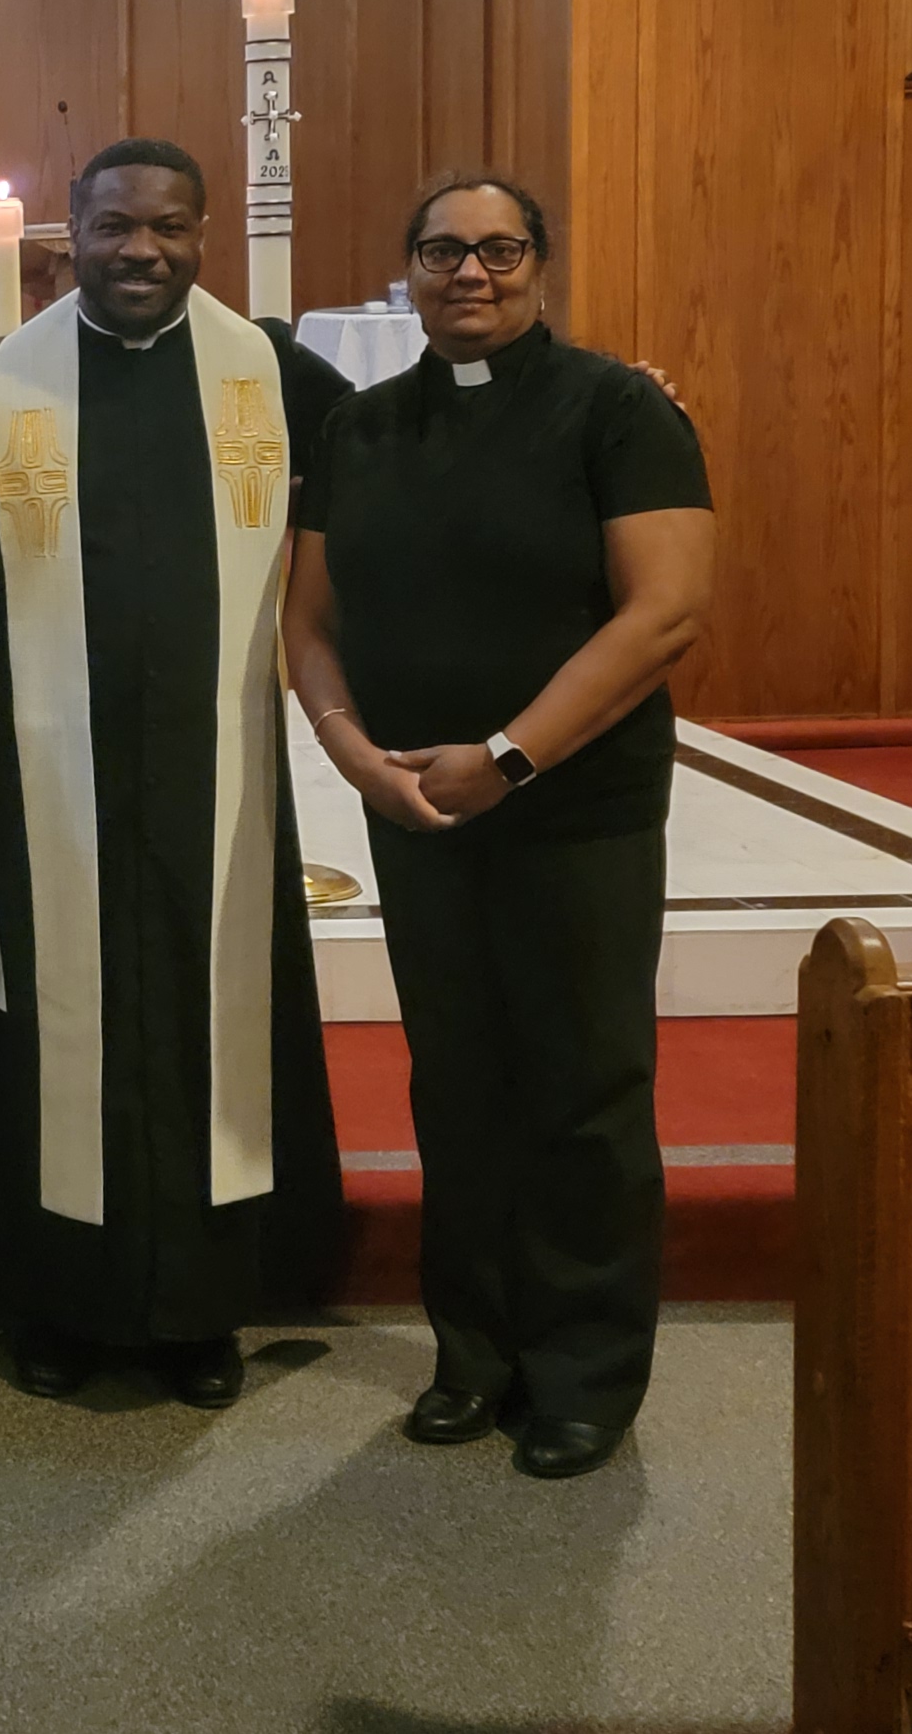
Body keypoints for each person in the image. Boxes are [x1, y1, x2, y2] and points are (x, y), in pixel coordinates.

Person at [0, 136, 351, 1413]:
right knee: (59, 1036)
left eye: (167, 226)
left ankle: (200, 1310)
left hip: (217, 775)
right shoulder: (0, 384)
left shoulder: (269, 370)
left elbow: (412, 443)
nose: (141, 250)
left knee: (212, 1025)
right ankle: (58, 1304)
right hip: (50, 778)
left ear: (203, 233)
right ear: (74, 233)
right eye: (114, 227)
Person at [283, 175, 712, 1482]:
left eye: (498, 249)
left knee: (582, 1084)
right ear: (407, 271)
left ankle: (584, 1370)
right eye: (441, 251)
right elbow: (308, 618)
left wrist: (511, 757)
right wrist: (353, 754)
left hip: (576, 807)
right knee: (457, 1082)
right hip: (420, 807)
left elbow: (665, 611)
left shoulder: (617, 410)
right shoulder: (359, 428)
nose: (469, 272)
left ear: (539, 264)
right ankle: (472, 1352)